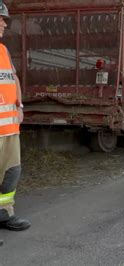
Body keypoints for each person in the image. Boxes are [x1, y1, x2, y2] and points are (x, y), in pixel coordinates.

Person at [0, 1, 31, 231]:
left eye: (5, 19)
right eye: (0, 18)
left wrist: (20, 105)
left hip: (10, 130)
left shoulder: (3, 51)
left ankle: (5, 214)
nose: (4, 23)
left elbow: (14, 78)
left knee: (12, 173)